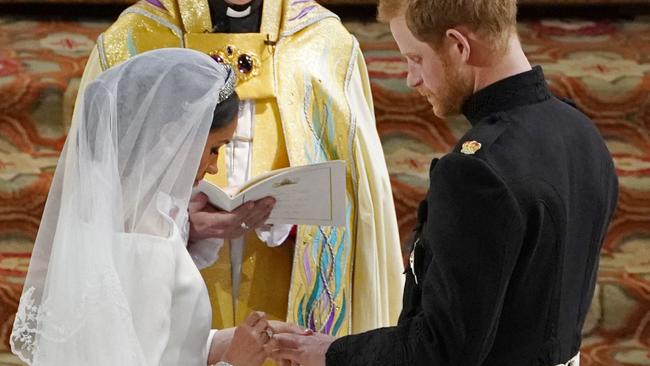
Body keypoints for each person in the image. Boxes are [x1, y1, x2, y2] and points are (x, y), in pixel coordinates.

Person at [272, 0, 620, 365]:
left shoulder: (477, 173)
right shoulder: (582, 132)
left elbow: (440, 352)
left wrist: (332, 354)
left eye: (416, 59)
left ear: (459, 46)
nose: (411, 78)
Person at [70, 0, 403, 337]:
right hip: (162, 293)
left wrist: (291, 219)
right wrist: (174, 224)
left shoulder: (322, 43)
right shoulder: (134, 38)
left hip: (282, 272)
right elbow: (92, 196)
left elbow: (355, 197)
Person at [9, 48, 298, 366]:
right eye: (214, 148)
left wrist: (252, 338)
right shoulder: (143, 240)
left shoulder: (128, 213)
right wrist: (236, 361)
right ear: (175, 136)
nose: (215, 167)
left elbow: (171, 347)